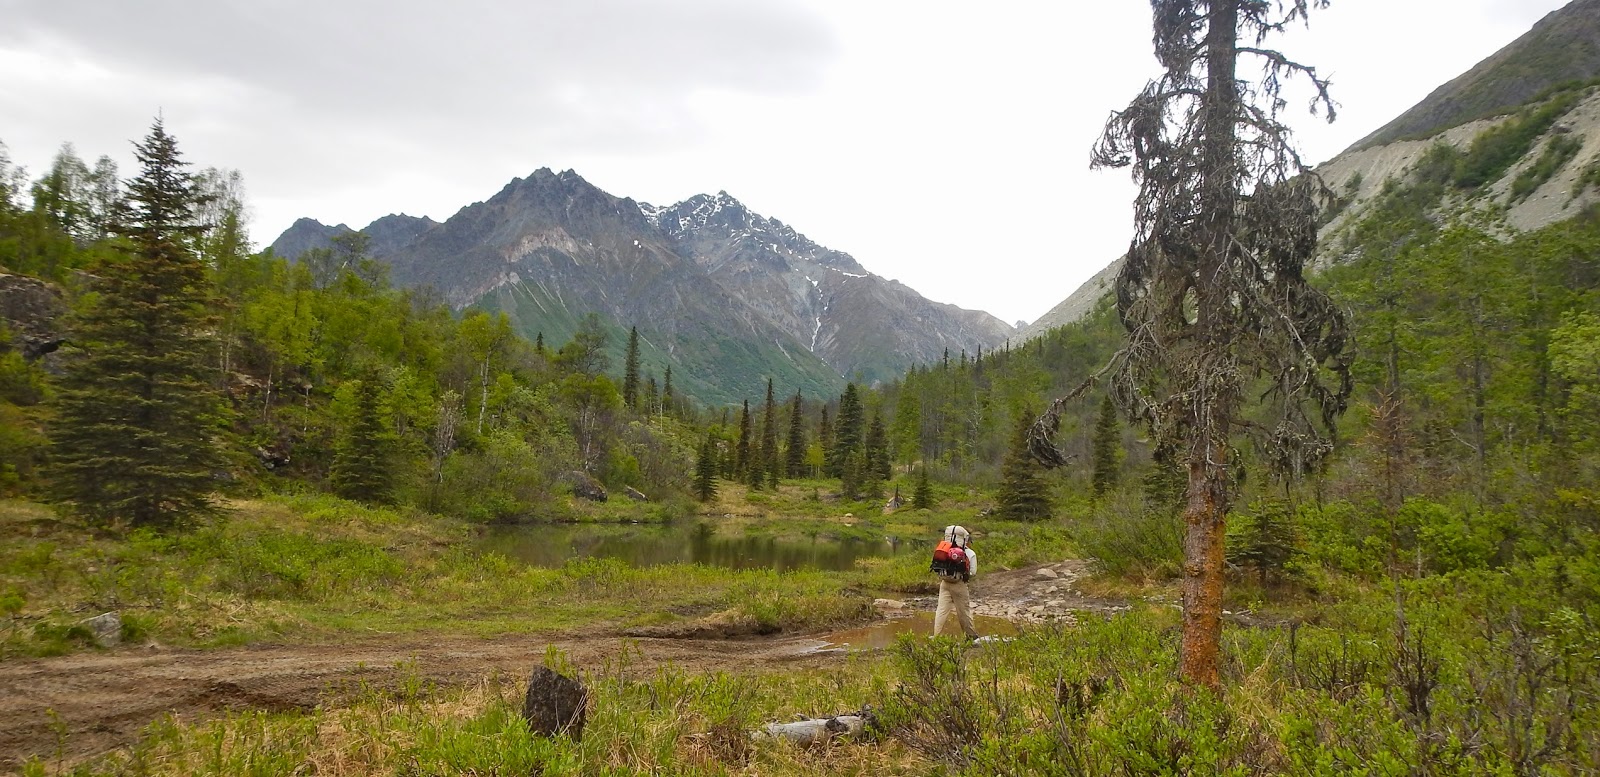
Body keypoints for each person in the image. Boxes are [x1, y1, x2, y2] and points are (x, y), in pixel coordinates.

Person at [933, 524, 978, 638]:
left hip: (944, 583)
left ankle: (936, 636)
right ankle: (970, 636)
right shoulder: (970, 553)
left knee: (941, 611)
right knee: (963, 612)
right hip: (959, 585)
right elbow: (973, 572)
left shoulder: (944, 549)